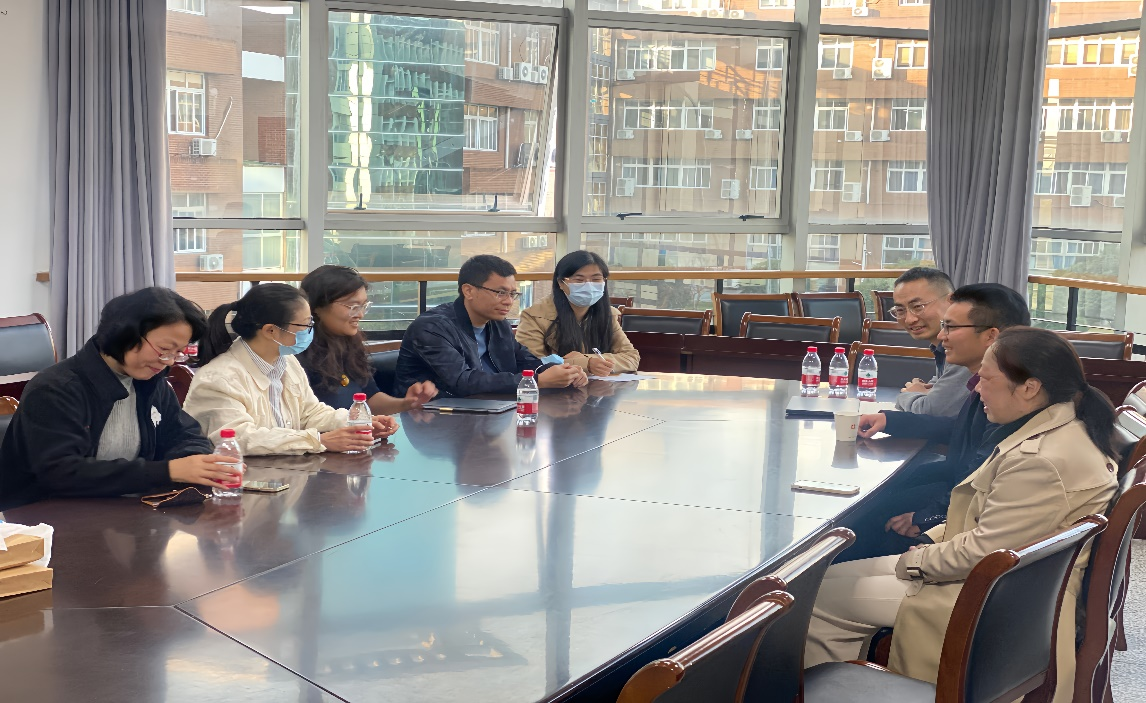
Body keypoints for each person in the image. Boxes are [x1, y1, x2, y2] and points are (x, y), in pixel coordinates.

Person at [805, 327, 1119, 703]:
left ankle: (830, 692)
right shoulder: (1062, 428)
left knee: (819, 600)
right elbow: (990, 527)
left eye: (986, 379)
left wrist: (916, 560)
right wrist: (928, 548)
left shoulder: (1041, 460)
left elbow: (984, 551)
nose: (977, 389)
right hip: (1020, 583)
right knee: (828, 579)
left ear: (1029, 388)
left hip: (998, 599)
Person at [0, 288, 237, 510]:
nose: (170, 361)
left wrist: (195, 463)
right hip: (44, 519)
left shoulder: (151, 381)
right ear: (125, 333)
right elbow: (61, 473)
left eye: (178, 353)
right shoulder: (57, 389)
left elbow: (185, 434)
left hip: (120, 513)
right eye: (165, 349)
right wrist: (168, 471)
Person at [853, 283, 1030, 551]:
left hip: (968, 516)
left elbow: (981, 472)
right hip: (958, 489)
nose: (942, 336)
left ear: (991, 336)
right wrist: (892, 421)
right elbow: (964, 430)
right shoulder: (989, 380)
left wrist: (928, 517)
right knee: (882, 493)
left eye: (951, 327)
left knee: (869, 515)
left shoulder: (1011, 394)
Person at [182, 283, 399, 456]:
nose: (311, 331)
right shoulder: (218, 378)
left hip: (284, 474)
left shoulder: (287, 361)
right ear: (271, 331)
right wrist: (318, 441)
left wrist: (357, 422)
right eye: (305, 325)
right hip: (242, 482)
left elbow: (310, 413)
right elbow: (240, 438)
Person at [394, 255, 588, 397]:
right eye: (500, 293)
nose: (508, 301)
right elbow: (461, 381)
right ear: (468, 291)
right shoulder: (432, 327)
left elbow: (527, 362)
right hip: (433, 417)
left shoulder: (498, 324)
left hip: (490, 409)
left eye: (512, 294)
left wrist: (565, 372)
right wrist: (536, 381)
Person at [298, 264, 437, 412]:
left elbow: (369, 399)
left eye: (363, 305)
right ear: (316, 307)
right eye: (352, 306)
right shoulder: (297, 355)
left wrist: (407, 403)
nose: (360, 314)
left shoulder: (349, 344)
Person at [515, 251, 640, 376]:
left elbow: (631, 357)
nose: (589, 286)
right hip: (556, 386)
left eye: (596, 279)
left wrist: (587, 360)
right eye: (579, 280)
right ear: (561, 283)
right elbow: (531, 364)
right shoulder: (534, 316)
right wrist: (586, 364)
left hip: (600, 386)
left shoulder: (608, 314)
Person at [886, 268, 970, 416]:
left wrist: (907, 394)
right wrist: (919, 393)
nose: (909, 319)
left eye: (918, 307)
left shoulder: (967, 347)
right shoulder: (941, 347)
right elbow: (933, 390)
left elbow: (932, 410)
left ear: (951, 301)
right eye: (900, 310)